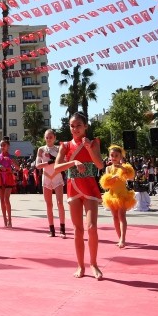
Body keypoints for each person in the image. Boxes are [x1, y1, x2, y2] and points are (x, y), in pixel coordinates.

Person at [52, 112, 104, 280]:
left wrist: (88, 147)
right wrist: (73, 162)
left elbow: (99, 165)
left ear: (85, 126)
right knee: (78, 230)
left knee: (92, 227)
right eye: (72, 126)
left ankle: (94, 264)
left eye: (78, 125)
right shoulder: (65, 145)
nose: (75, 129)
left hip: (89, 187)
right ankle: (80, 265)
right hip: (73, 187)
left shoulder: (94, 143)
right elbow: (57, 168)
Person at [100, 145, 136, 249]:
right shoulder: (108, 168)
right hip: (112, 196)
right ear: (109, 156)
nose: (114, 157)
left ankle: (123, 239)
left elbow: (131, 176)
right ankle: (119, 237)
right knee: (115, 217)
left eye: (116, 155)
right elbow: (106, 183)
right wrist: (113, 178)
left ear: (121, 156)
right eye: (112, 155)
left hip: (122, 195)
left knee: (121, 216)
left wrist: (122, 168)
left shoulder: (125, 167)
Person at [35, 129, 66, 238]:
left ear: (55, 138)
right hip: (46, 178)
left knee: (60, 203)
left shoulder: (59, 148)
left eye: (51, 137)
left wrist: (55, 161)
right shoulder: (41, 149)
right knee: (49, 205)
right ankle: (51, 229)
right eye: (47, 137)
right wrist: (50, 162)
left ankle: (62, 229)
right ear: (44, 138)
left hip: (57, 177)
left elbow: (64, 162)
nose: (49, 139)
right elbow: (37, 165)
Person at [0, 140, 19, 228]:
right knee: (1, 200)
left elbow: (18, 168)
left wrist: (12, 162)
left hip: (8, 178)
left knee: (6, 199)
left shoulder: (11, 156)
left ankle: (10, 219)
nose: (2, 147)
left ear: (8, 146)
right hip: (0, 178)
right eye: (1, 145)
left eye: (4, 145)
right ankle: (4, 220)